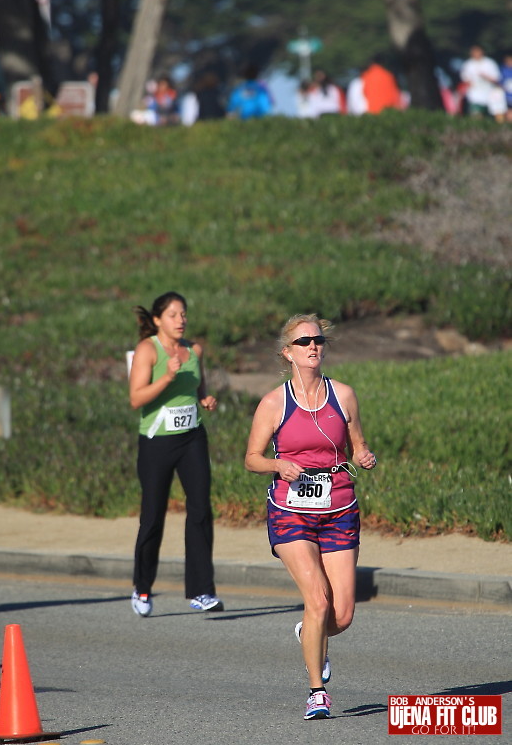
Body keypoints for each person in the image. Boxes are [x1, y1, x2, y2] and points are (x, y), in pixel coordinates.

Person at [244, 314, 376, 721]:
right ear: (288, 353)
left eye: (318, 340)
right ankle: (317, 692)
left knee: (342, 614)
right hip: (291, 511)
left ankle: (310, 632)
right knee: (317, 600)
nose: (313, 346)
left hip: (339, 508)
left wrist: (363, 455)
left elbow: (357, 443)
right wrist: (277, 465)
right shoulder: (274, 403)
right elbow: (252, 459)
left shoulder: (344, 395)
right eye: (303, 342)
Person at [129, 291, 223, 616]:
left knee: (200, 510)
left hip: (192, 438)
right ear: (158, 320)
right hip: (157, 442)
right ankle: (142, 588)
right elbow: (136, 398)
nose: (180, 320)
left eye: (183, 314)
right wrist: (167, 376)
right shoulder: (148, 349)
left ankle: (202, 591)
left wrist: (205, 399)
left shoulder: (193, 350)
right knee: (153, 516)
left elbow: (198, 386)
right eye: (173, 315)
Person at [460, 45, 501, 117]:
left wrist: (485, 77)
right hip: (475, 95)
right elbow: (465, 79)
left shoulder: (490, 63)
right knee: (476, 114)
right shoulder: (468, 64)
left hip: (490, 94)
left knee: (494, 115)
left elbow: (496, 78)